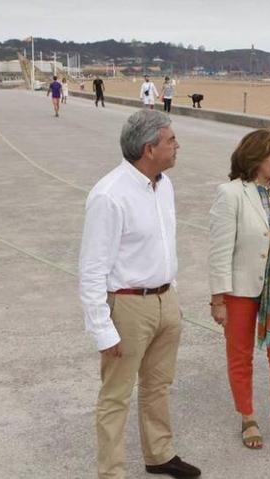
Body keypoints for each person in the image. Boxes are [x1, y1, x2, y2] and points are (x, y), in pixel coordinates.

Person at [79, 110, 201, 479]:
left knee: (158, 385)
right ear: (149, 149)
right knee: (116, 395)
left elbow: (163, 245)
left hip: (166, 300)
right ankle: (111, 472)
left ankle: (159, 454)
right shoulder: (109, 195)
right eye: (170, 140)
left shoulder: (164, 185)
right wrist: (103, 329)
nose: (177, 145)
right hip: (128, 306)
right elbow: (91, 269)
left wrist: (172, 296)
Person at [208, 128, 270, 454]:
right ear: (255, 158)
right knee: (240, 355)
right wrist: (218, 298)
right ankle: (247, 416)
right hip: (241, 288)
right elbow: (220, 249)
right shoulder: (232, 193)